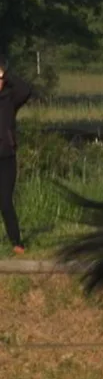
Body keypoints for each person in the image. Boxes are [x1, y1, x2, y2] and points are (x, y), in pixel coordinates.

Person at [0, 58, 32, 254]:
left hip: (6, 158)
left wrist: (6, 74)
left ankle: (17, 242)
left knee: (5, 201)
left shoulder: (10, 99)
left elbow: (26, 89)